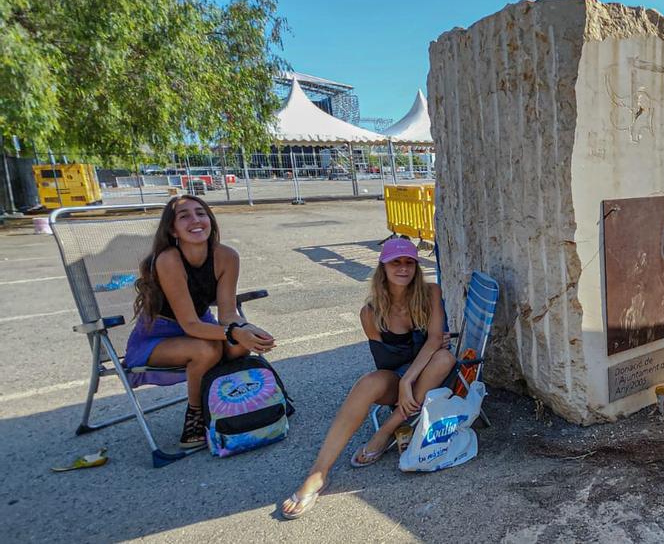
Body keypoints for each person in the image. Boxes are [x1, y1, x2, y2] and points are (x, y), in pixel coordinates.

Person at [281, 238, 457, 519]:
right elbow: (386, 363)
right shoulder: (371, 313)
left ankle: (385, 430)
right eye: (395, 262)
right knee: (366, 383)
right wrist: (401, 379)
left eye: (409, 262)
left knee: (444, 358)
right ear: (383, 267)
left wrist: (407, 381)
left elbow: (436, 339)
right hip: (399, 375)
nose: (403, 268)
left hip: (432, 373)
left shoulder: (431, 292)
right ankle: (319, 472)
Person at [126, 195, 276, 449]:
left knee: (240, 346)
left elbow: (228, 314)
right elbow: (190, 326)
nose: (195, 220)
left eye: (201, 213)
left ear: (211, 220)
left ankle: (230, 408)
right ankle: (195, 417)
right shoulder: (168, 260)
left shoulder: (227, 256)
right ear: (172, 229)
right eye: (184, 216)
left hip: (201, 327)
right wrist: (235, 332)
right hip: (158, 337)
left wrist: (247, 330)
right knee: (206, 350)